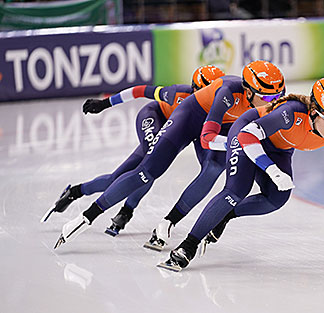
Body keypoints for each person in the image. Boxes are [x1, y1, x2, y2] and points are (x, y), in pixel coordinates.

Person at [53, 60, 286, 249]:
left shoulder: (266, 101)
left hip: (220, 126)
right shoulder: (224, 93)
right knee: (147, 171)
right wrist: (106, 104)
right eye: (266, 98)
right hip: (190, 119)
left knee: (214, 168)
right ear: (248, 91)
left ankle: (169, 221)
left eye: (277, 95)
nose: (272, 102)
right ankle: (88, 216)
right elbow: (206, 137)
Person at [158, 77, 324, 272]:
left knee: (277, 198)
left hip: (279, 148)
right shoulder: (290, 113)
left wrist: (275, 165)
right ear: (313, 112)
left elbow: (300, 138)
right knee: (235, 192)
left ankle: (224, 217)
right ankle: (187, 247)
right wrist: (272, 170)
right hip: (246, 132)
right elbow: (246, 136)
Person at [42, 65, 225, 237]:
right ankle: (124, 209)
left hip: (180, 131)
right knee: (148, 168)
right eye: (204, 94)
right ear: (194, 90)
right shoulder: (177, 94)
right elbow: (139, 91)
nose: (209, 99)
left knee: (117, 179)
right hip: (156, 117)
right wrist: (105, 104)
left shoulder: (224, 104)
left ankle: (78, 191)